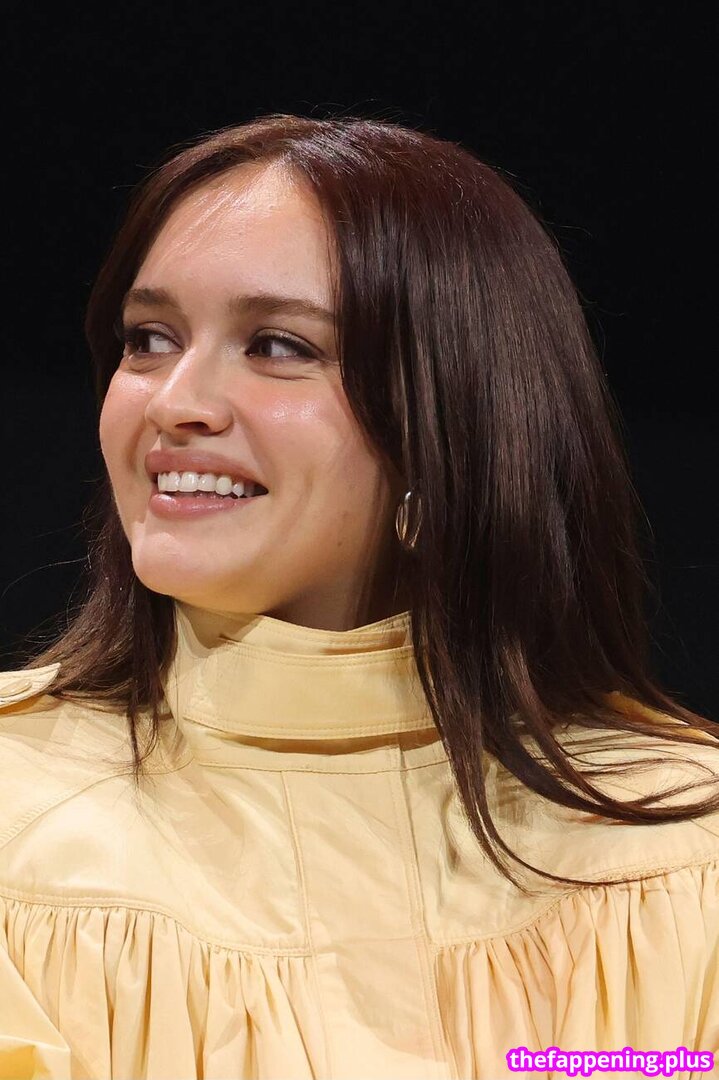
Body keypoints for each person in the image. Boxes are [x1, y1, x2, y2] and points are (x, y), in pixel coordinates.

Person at [0, 113, 717, 1080]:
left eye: (277, 346)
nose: (175, 402)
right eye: (149, 339)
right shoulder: (14, 816)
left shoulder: (685, 851)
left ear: (448, 422)